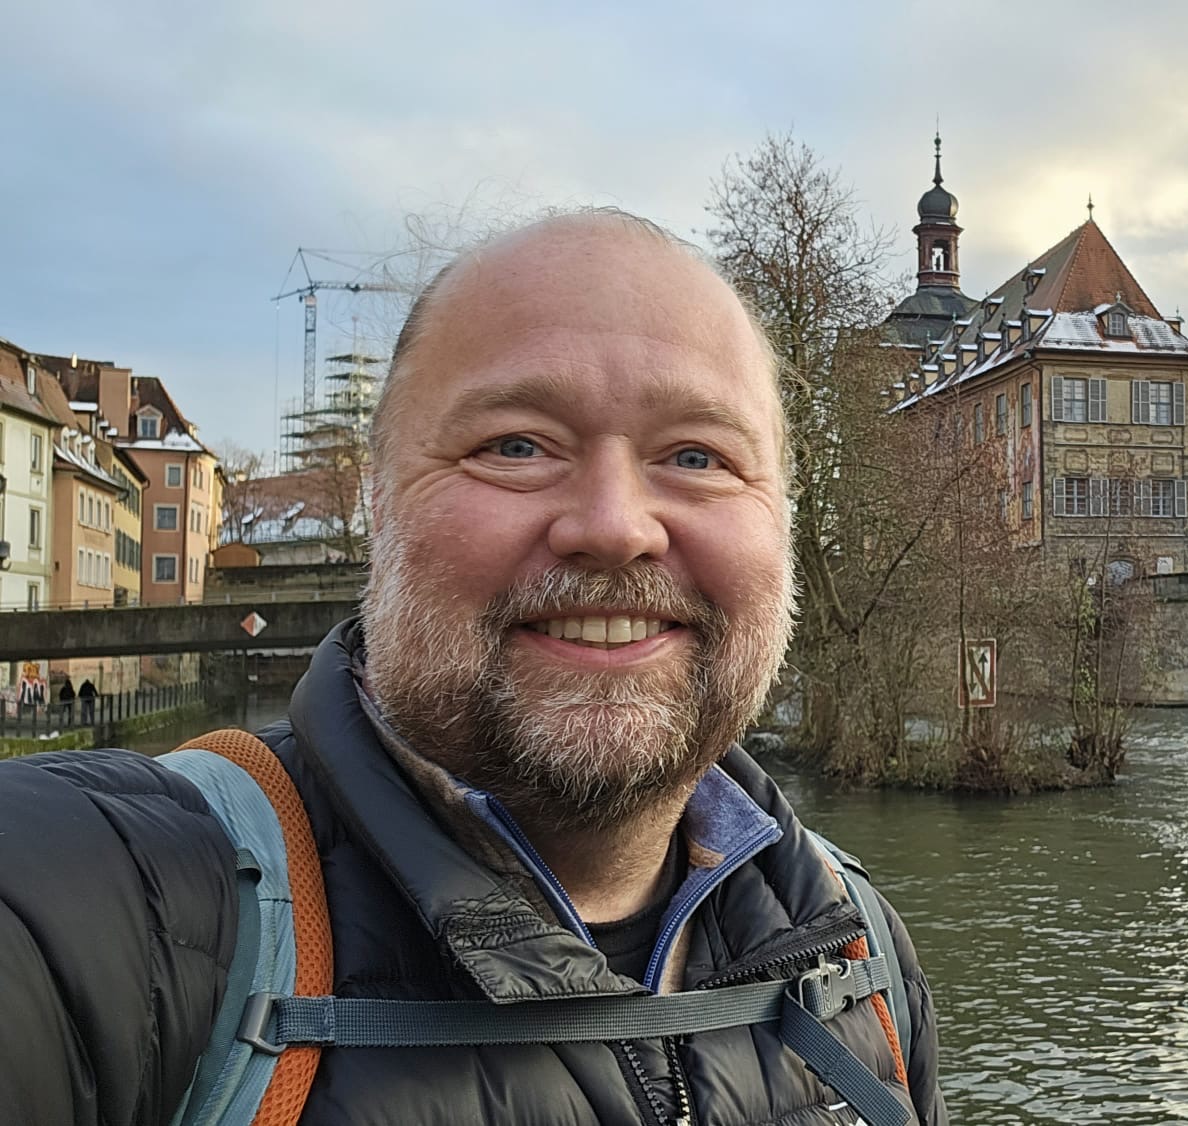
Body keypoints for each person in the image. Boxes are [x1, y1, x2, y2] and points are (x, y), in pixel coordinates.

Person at [0, 209, 946, 1125]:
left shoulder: (856, 948)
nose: (615, 526)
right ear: (380, 508)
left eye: (696, 455)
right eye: (516, 445)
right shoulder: (118, 908)